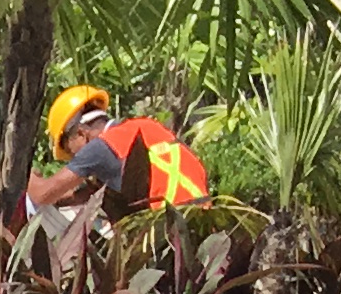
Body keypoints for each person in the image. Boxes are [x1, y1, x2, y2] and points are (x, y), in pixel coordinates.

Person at [26, 85, 212, 218]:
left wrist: (24, 173)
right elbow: (92, 193)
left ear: (81, 134)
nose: (75, 158)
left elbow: (41, 195)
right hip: (204, 219)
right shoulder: (147, 127)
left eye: (71, 152)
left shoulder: (98, 148)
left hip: (168, 230)